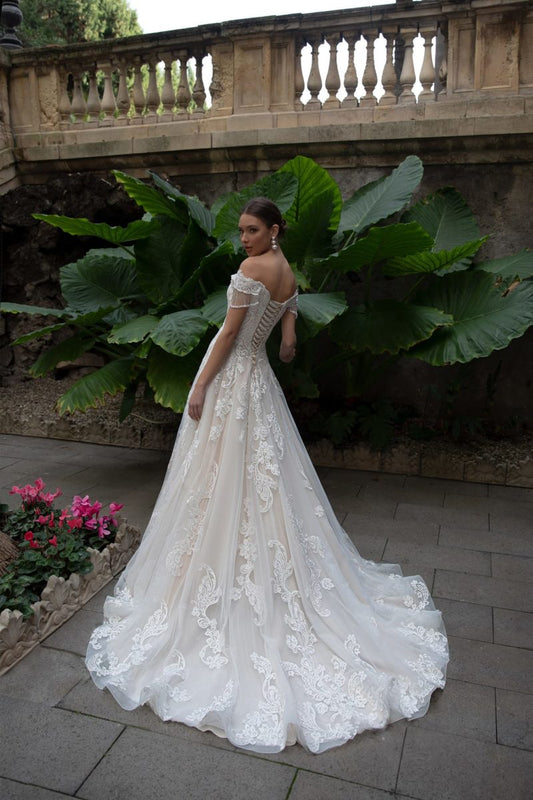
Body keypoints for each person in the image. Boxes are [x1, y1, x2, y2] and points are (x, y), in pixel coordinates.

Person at [86, 197, 448, 755]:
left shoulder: (253, 271)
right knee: (263, 478)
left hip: (233, 379)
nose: (243, 240)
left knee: (223, 476)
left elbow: (229, 336)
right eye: (241, 232)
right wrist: (286, 336)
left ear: (274, 229)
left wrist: (201, 384)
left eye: (253, 230)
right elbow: (291, 303)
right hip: (260, 384)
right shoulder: (283, 266)